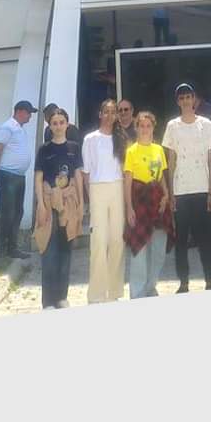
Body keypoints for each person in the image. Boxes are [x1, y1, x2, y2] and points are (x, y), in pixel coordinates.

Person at [161, 82, 211, 292]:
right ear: (178, 101)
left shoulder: (206, 124)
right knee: (182, 240)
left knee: (205, 238)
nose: (185, 101)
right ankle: (184, 282)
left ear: (194, 99)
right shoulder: (172, 126)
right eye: (182, 98)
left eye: (188, 97)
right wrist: (171, 193)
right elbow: (171, 161)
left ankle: (209, 279)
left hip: (202, 188)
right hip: (181, 190)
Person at [33, 108, 84, 309]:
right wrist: (41, 205)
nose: (58, 126)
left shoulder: (74, 148)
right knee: (49, 250)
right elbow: (38, 179)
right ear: (50, 126)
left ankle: (62, 297)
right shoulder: (44, 150)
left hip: (68, 204)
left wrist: (81, 203)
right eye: (54, 123)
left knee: (65, 250)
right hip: (49, 203)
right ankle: (48, 301)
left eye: (62, 122)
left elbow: (77, 176)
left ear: (67, 124)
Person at [123, 111, 175, 299]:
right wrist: (129, 208)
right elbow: (127, 182)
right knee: (139, 249)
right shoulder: (131, 151)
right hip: (139, 201)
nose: (145, 129)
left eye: (148, 126)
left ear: (153, 128)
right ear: (136, 128)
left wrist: (166, 195)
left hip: (158, 201)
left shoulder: (159, 150)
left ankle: (150, 287)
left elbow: (161, 176)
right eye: (141, 126)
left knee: (159, 250)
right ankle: (137, 293)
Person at [81, 100, 129, 303]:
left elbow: (126, 170)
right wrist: (90, 197)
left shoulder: (122, 139)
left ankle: (114, 291)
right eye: (106, 112)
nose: (110, 116)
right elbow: (86, 172)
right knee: (99, 242)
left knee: (117, 240)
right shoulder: (90, 139)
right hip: (97, 189)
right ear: (100, 114)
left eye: (113, 112)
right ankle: (97, 293)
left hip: (117, 188)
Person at [0, 100, 37, 259]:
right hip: (7, 175)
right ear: (20, 111)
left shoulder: (19, 129)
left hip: (18, 176)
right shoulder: (8, 127)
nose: (30, 116)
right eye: (29, 113)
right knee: (7, 213)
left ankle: (12, 248)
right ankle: (1, 251)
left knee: (17, 211)